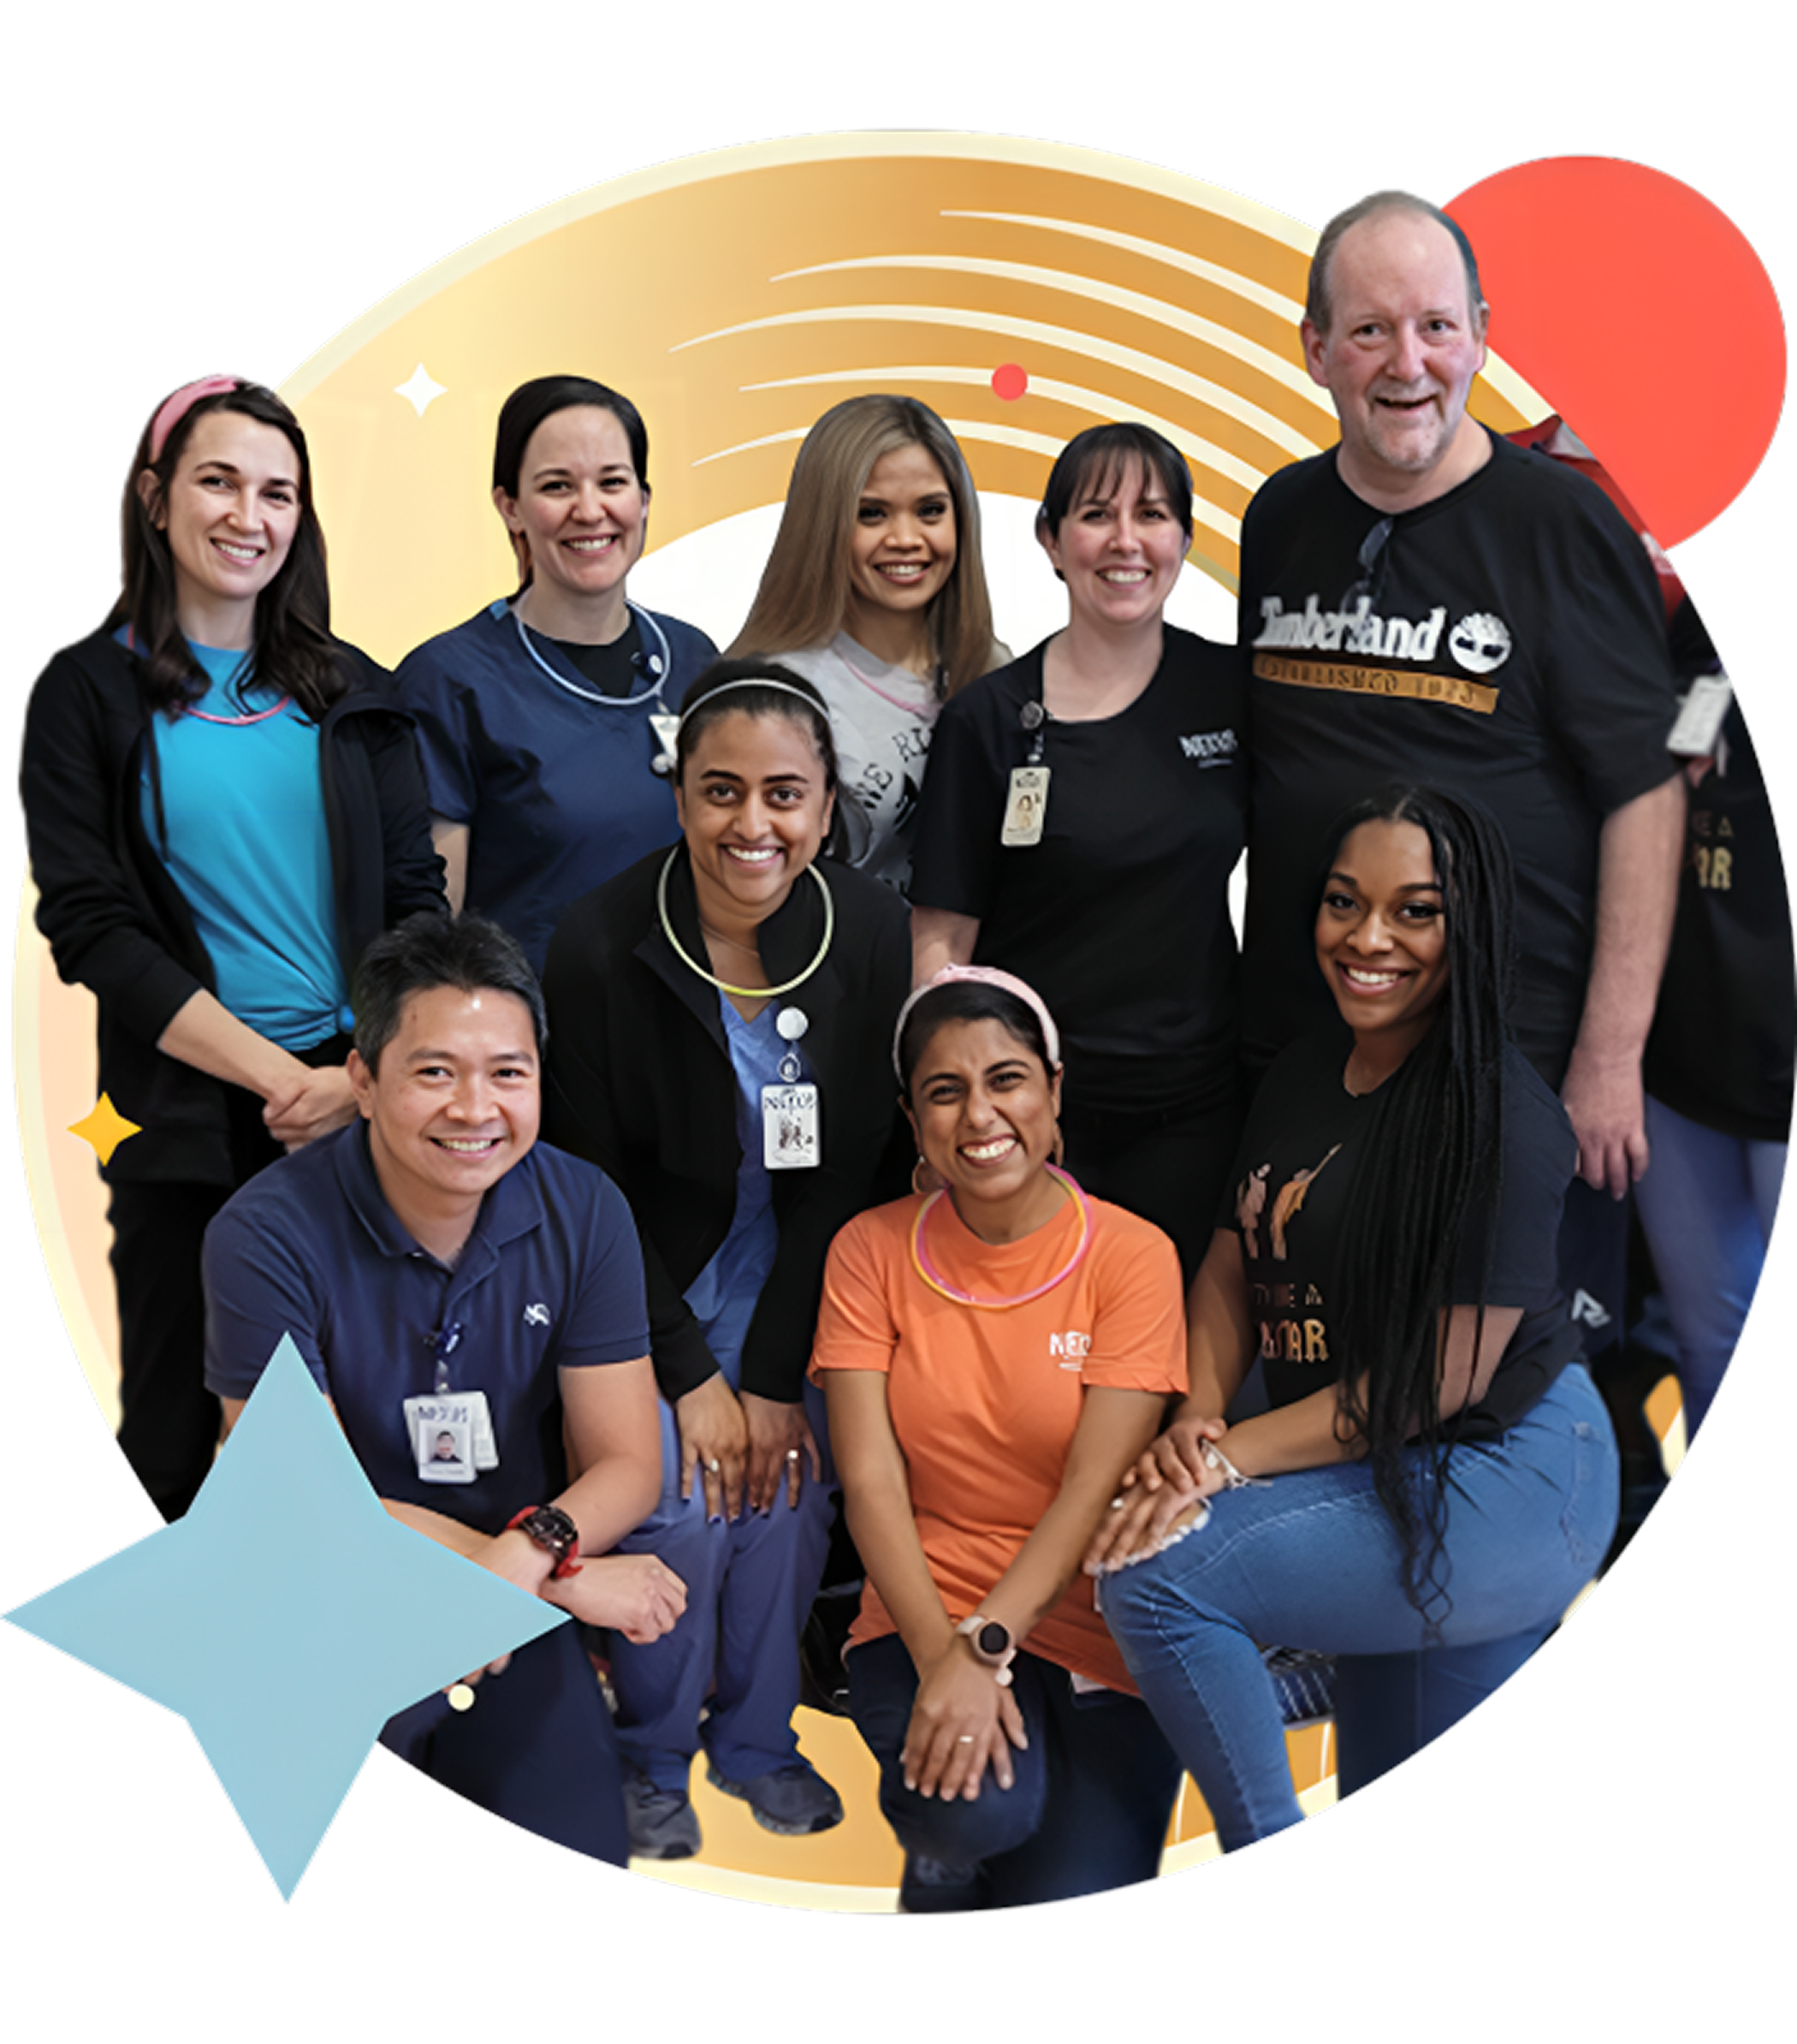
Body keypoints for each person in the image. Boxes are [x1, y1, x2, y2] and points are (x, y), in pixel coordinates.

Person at [1090, 787, 1620, 1851]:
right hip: (1375, 1466)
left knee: (1153, 1577)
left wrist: (1220, 1463)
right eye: (1344, 903)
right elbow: (1235, 1265)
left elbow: (1430, 1386)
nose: (1368, 938)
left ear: (1471, 924)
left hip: (1505, 1475)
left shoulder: (1507, 1120)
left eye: (1415, 911)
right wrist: (1196, 1414)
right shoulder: (1303, 1071)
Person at [1237, 189, 1686, 1352]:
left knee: (1467, 1400)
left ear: (1482, 336)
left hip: (1503, 1068)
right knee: (1312, 1377)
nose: (1408, 363)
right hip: (1307, 1056)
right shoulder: (1281, 517)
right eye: (1373, 330)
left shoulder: (1560, 527)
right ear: (1317, 348)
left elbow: (1644, 790)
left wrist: (1607, 1056)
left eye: (1438, 327)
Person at [22, 372, 447, 1520]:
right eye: (218, 481)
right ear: (156, 499)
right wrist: (284, 1082)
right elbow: (94, 926)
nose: (247, 516)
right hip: (190, 1129)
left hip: (359, 1109)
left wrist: (356, 1079)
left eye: (278, 493)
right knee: (178, 1436)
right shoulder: (86, 696)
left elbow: (418, 906)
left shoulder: (357, 692)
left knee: (373, 1424)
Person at [202, 912, 680, 1866]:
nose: (475, 1108)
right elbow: (308, 1508)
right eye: (434, 1072)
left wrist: (529, 1557)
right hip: (328, 1598)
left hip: (516, 1588)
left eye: (508, 1072)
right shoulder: (263, 1236)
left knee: (583, 1840)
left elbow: (628, 1461)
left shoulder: (583, 1209)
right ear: (364, 1083)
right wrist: (564, 1581)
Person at [541, 660, 912, 1858]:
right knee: (682, 1503)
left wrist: (765, 1381)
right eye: (720, 793)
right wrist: (698, 1380)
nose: (752, 826)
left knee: (792, 1496)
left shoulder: (865, 929)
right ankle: (650, 1755)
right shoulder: (600, 944)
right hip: (639, 1280)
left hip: (798, 1279)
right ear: (680, 795)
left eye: (784, 795)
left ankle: (756, 1743)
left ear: (822, 805)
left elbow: (847, 1173)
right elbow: (591, 1193)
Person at [811, 967, 1186, 1911]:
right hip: (916, 1615)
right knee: (974, 1818)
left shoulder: (1133, 1256)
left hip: (1098, 1635)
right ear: (914, 1119)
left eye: (1008, 1079)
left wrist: (984, 1652)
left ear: (1055, 1091)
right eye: (947, 1091)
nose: (981, 1114)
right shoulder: (868, 1250)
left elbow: (1092, 1487)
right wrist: (946, 1656)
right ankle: (945, 1851)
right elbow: (871, 1483)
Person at [910, 421, 1244, 1283]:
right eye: (1097, 514)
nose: (1127, 541)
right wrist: (943, 1110)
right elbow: (943, 941)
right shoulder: (988, 719)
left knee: (1164, 1362)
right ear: (1052, 540)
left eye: (1155, 514)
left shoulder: (1233, 692)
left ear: (1185, 541)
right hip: (1031, 1118)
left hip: (1196, 1108)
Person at [394, 374, 718, 972]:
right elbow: (430, 928)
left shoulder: (696, 660)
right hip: (532, 1041)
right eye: (556, 486)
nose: (589, 509)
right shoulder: (448, 682)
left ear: (644, 500)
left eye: (613, 483)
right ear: (510, 507)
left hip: (685, 1030)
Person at [727, 393, 1006, 893]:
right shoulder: (772, 690)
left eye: (930, 511)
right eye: (873, 514)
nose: (905, 538)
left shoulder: (993, 670)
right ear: (824, 525)